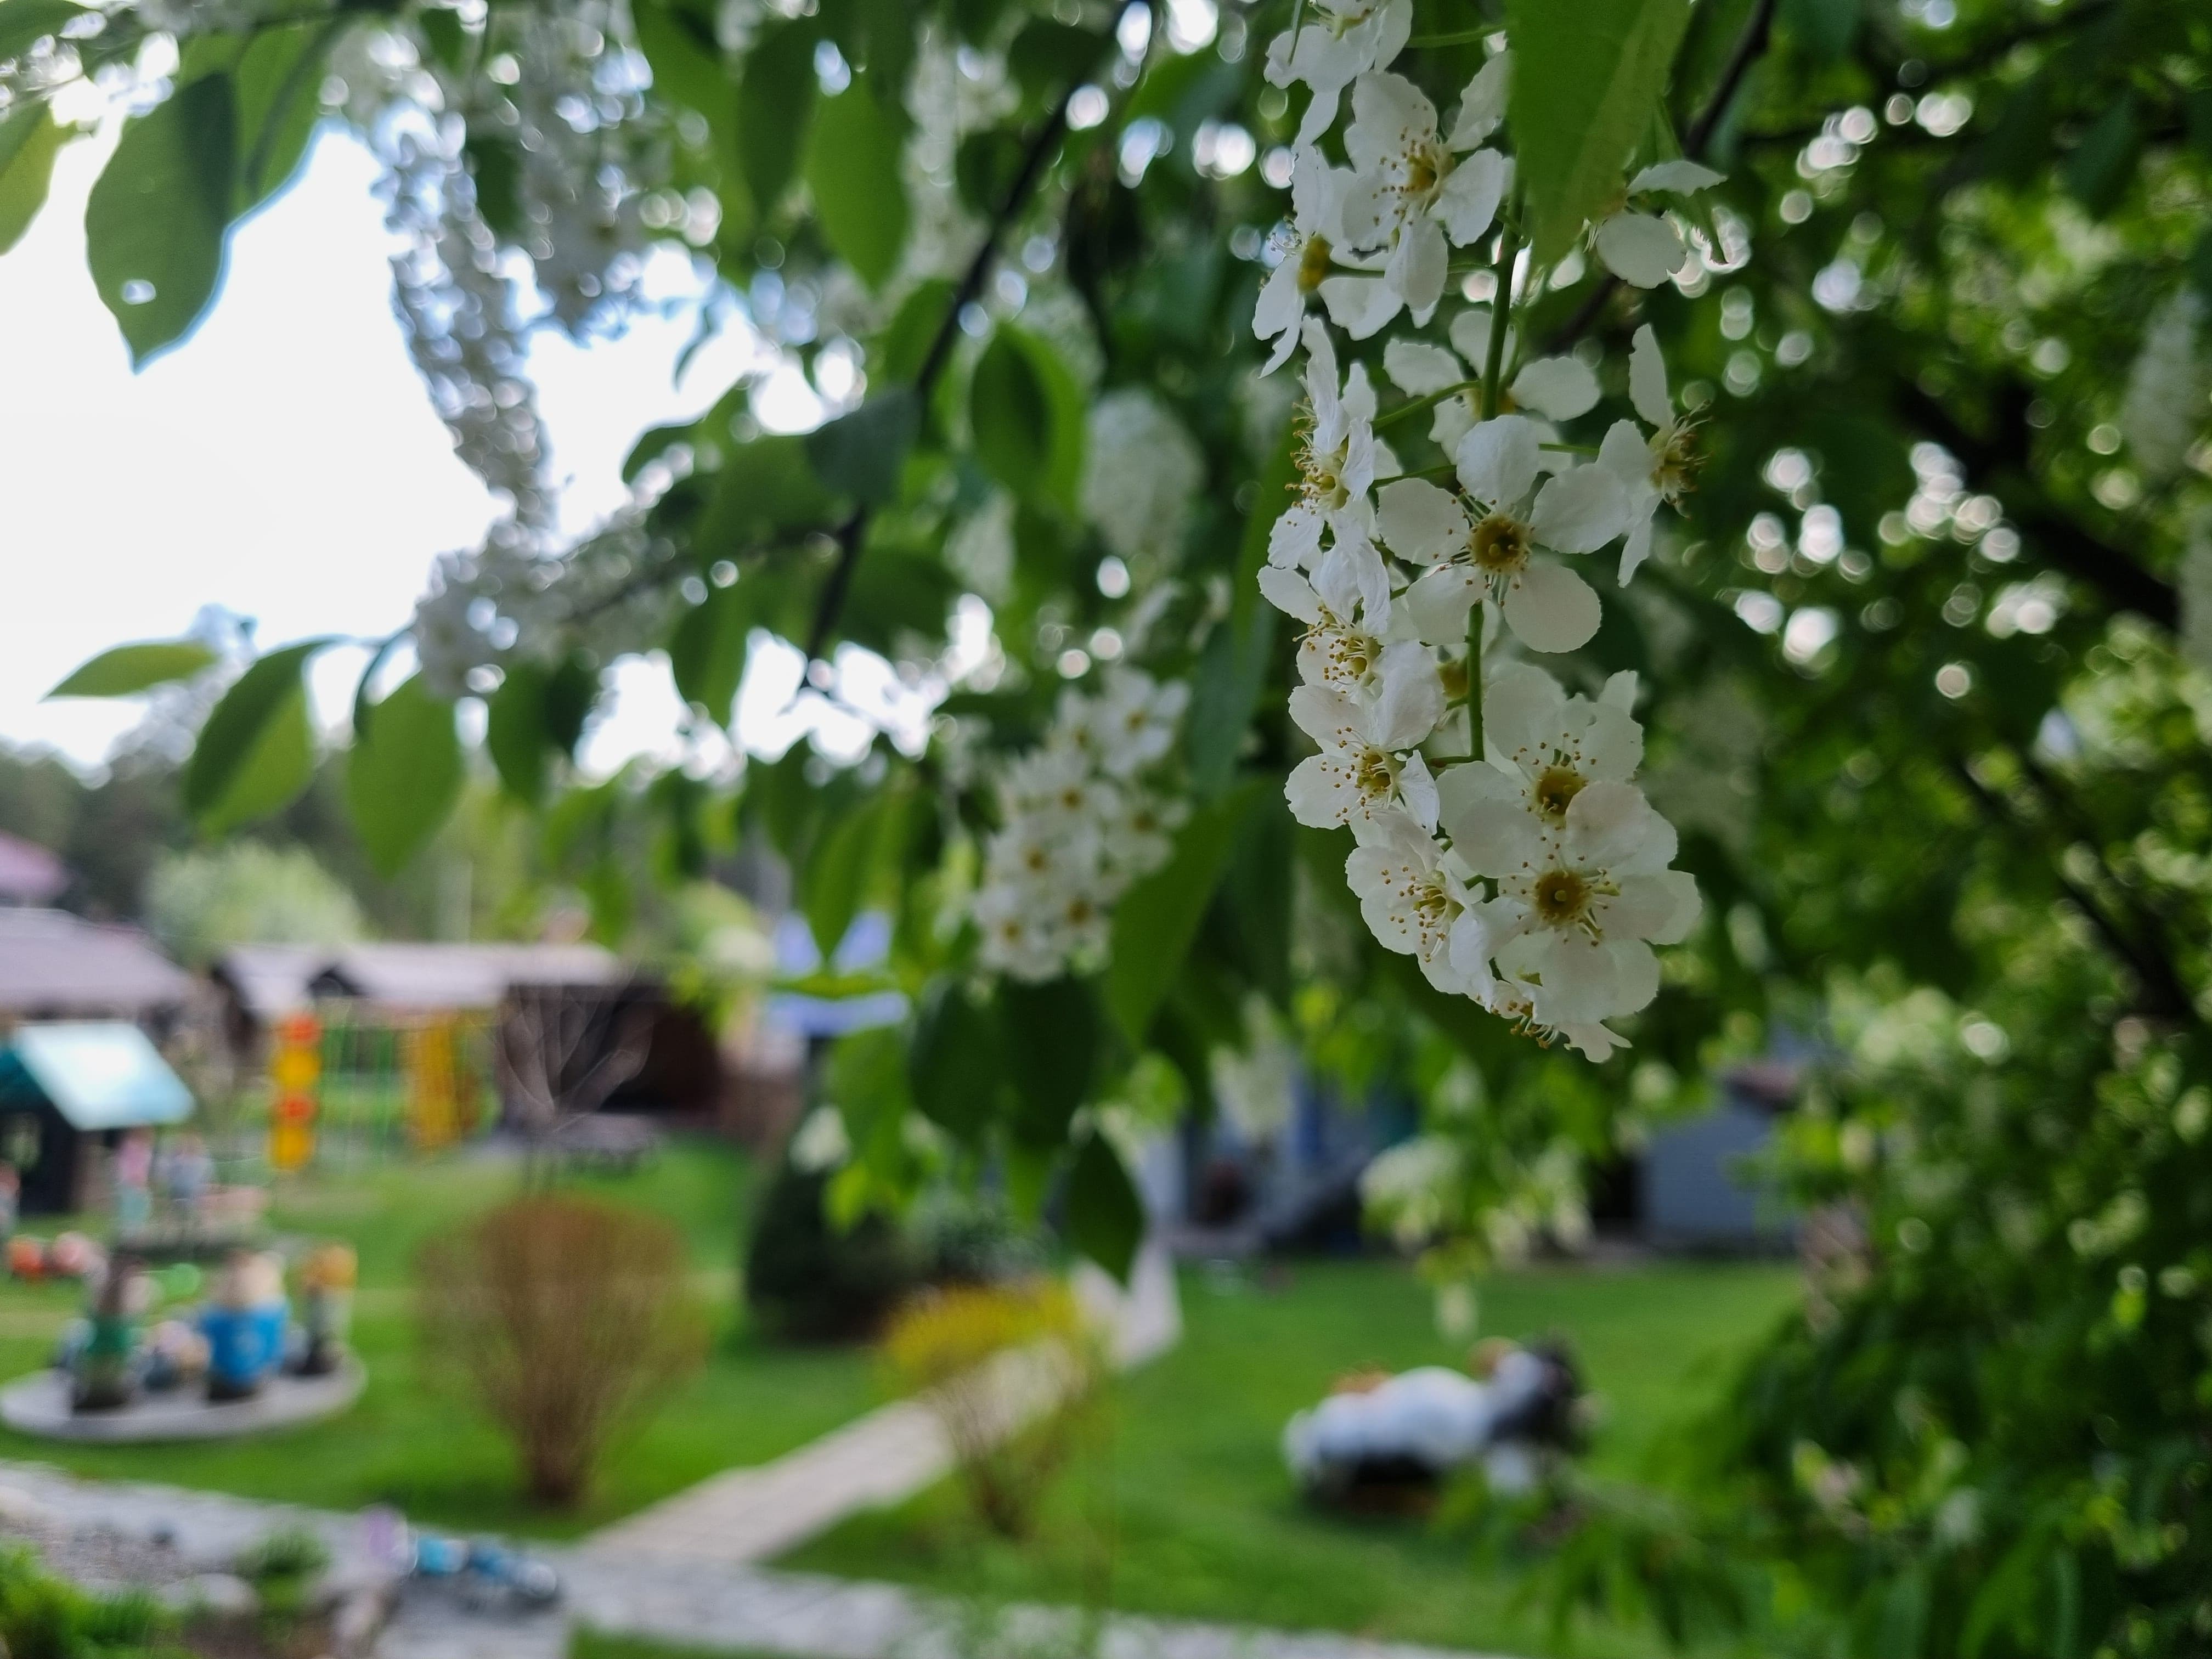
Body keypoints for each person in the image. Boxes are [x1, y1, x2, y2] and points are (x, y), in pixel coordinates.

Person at [1282, 1337, 1583, 1505]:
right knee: (1480, 1433)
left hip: (1446, 1412)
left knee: (1478, 1426)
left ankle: (1537, 1402)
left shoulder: (1339, 1420)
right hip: (1439, 1426)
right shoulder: (1340, 1437)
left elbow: (1486, 1359)